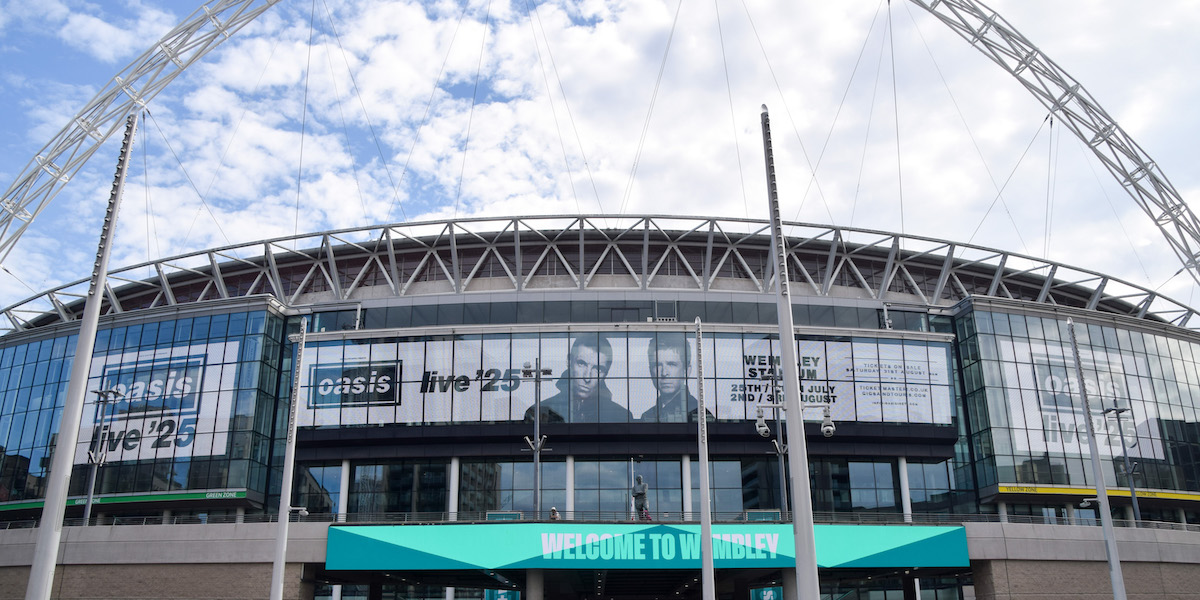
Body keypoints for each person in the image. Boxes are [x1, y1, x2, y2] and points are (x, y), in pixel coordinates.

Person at [524, 336, 632, 423]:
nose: (587, 377)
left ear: (606, 373)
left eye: (598, 369)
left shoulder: (622, 416)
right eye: (581, 364)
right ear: (569, 361)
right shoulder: (539, 412)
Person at [638, 336, 714, 423]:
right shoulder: (647, 416)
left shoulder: (699, 415)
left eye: (671, 364)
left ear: (687, 371)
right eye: (657, 365)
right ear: (650, 371)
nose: (664, 373)